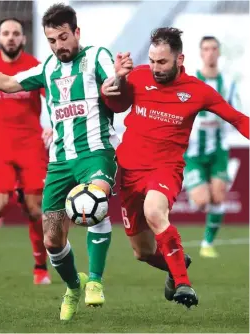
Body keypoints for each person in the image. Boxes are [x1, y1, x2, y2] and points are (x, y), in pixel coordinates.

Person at [0, 4, 132, 321]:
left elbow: (115, 89)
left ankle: (96, 281)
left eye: (63, 37)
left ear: (76, 32)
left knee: (93, 203)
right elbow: (6, 83)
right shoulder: (46, 68)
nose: (59, 45)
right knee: (52, 240)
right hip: (60, 161)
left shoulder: (96, 56)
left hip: (95, 152)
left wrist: (117, 81)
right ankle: (74, 286)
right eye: (52, 40)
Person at [101, 27, 249, 308]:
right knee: (142, 252)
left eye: (163, 62)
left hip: (165, 169)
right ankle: (175, 264)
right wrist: (117, 79)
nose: (155, 68)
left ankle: (184, 284)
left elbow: (238, 119)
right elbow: (116, 104)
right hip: (130, 171)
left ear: (180, 59)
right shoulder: (138, 75)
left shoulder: (197, 91)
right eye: (153, 61)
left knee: (155, 212)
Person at [0, 18, 51, 285]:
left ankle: (40, 268)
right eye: (5, 33)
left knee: (35, 210)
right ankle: (18, 192)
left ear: (23, 39)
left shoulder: (35, 68)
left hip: (32, 149)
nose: (10, 38)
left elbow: (53, 97)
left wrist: (53, 125)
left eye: (15, 33)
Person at [184, 36, 241, 258]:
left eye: (214, 48)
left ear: (218, 52)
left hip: (218, 149)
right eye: (206, 49)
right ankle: (193, 189)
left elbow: (237, 112)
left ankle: (207, 243)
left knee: (218, 197)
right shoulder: (191, 82)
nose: (210, 53)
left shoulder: (227, 83)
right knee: (201, 201)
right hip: (193, 151)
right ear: (200, 53)